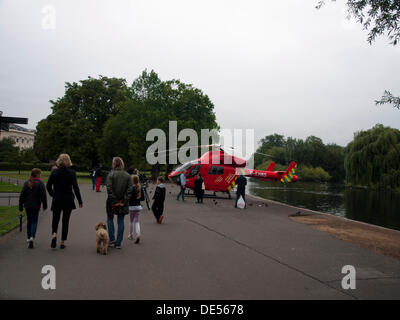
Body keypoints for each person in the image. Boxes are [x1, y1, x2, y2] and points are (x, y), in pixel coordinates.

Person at [47, 154, 83, 249]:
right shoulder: (71, 173)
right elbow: (75, 187)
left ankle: (54, 235)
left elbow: (48, 186)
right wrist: (80, 200)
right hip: (68, 199)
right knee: (65, 221)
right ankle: (62, 242)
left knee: (55, 219)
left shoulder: (54, 172)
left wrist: (52, 194)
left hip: (57, 198)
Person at [106, 157, 132, 249]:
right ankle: (118, 242)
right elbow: (129, 190)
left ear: (114, 164)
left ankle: (112, 240)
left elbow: (109, 189)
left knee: (110, 219)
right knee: (120, 221)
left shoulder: (111, 175)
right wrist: (123, 201)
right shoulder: (127, 176)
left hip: (112, 202)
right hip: (122, 202)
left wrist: (115, 201)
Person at [19, 168, 47, 249]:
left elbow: (22, 195)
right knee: (34, 221)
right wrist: (45, 205)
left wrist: (20, 206)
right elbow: (43, 195)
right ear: (38, 174)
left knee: (29, 221)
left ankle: (28, 237)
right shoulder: (40, 183)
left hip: (27, 205)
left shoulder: (26, 183)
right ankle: (32, 236)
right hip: (36, 205)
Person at [128, 175, 143, 244]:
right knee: (137, 221)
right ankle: (138, 234)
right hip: (138, 206)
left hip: (132, 207)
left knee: (131, 221)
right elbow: (142, 198)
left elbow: (129, 197)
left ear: (132, 181)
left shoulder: (131, 188)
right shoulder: (140, 187)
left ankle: (131, 235)